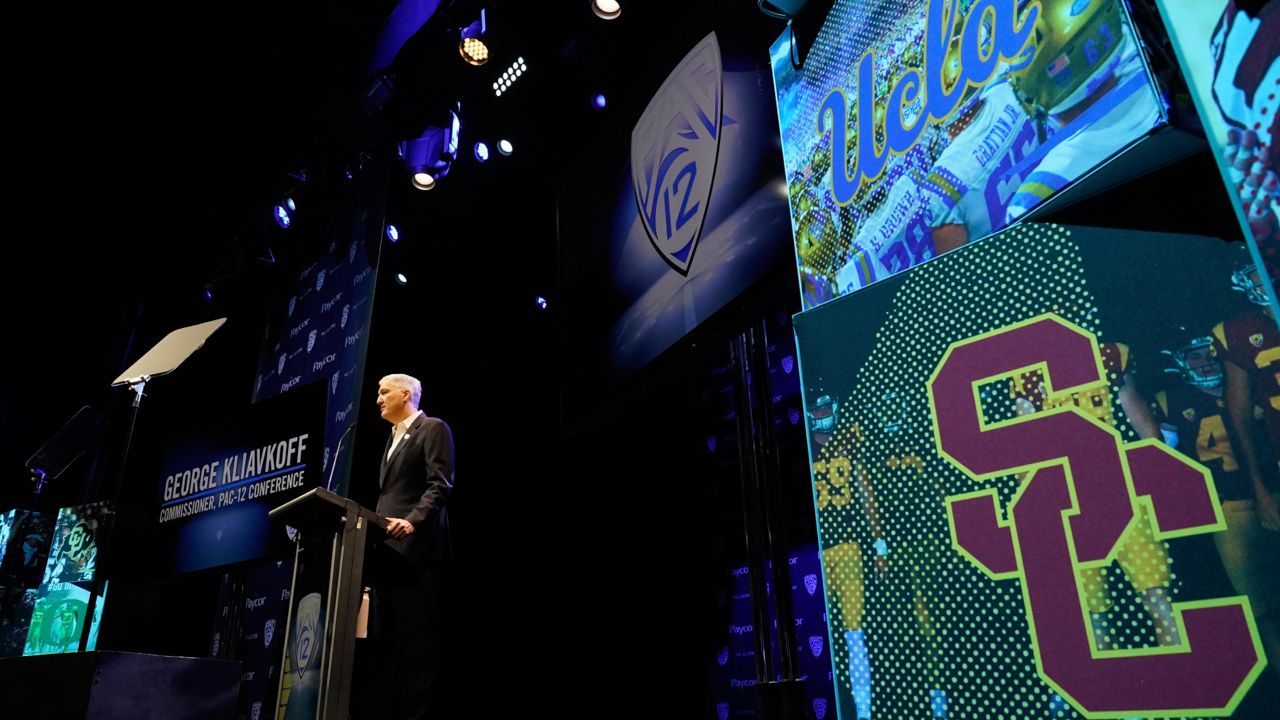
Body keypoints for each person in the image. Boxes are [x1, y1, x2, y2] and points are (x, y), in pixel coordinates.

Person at [367, 372, 455, 719]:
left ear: (405, 394)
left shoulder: (432, 428)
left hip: (415, 551)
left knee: (416, 645)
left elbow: (440, 485)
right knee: (385, 645)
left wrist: (413, 521)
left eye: (383, 391)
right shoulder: (391, 438)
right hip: (385, 553)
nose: (378, 399)